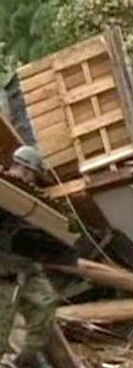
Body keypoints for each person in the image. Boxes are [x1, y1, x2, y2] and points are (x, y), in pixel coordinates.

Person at [1, 146, 57, 368]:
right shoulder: (4, 187)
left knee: (46, 302)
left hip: (25, 263)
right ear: (25, 170)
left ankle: (26, 358)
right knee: (3, 320)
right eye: (32, 175)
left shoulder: (29, 196)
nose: (33, 181)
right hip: (4, 267)